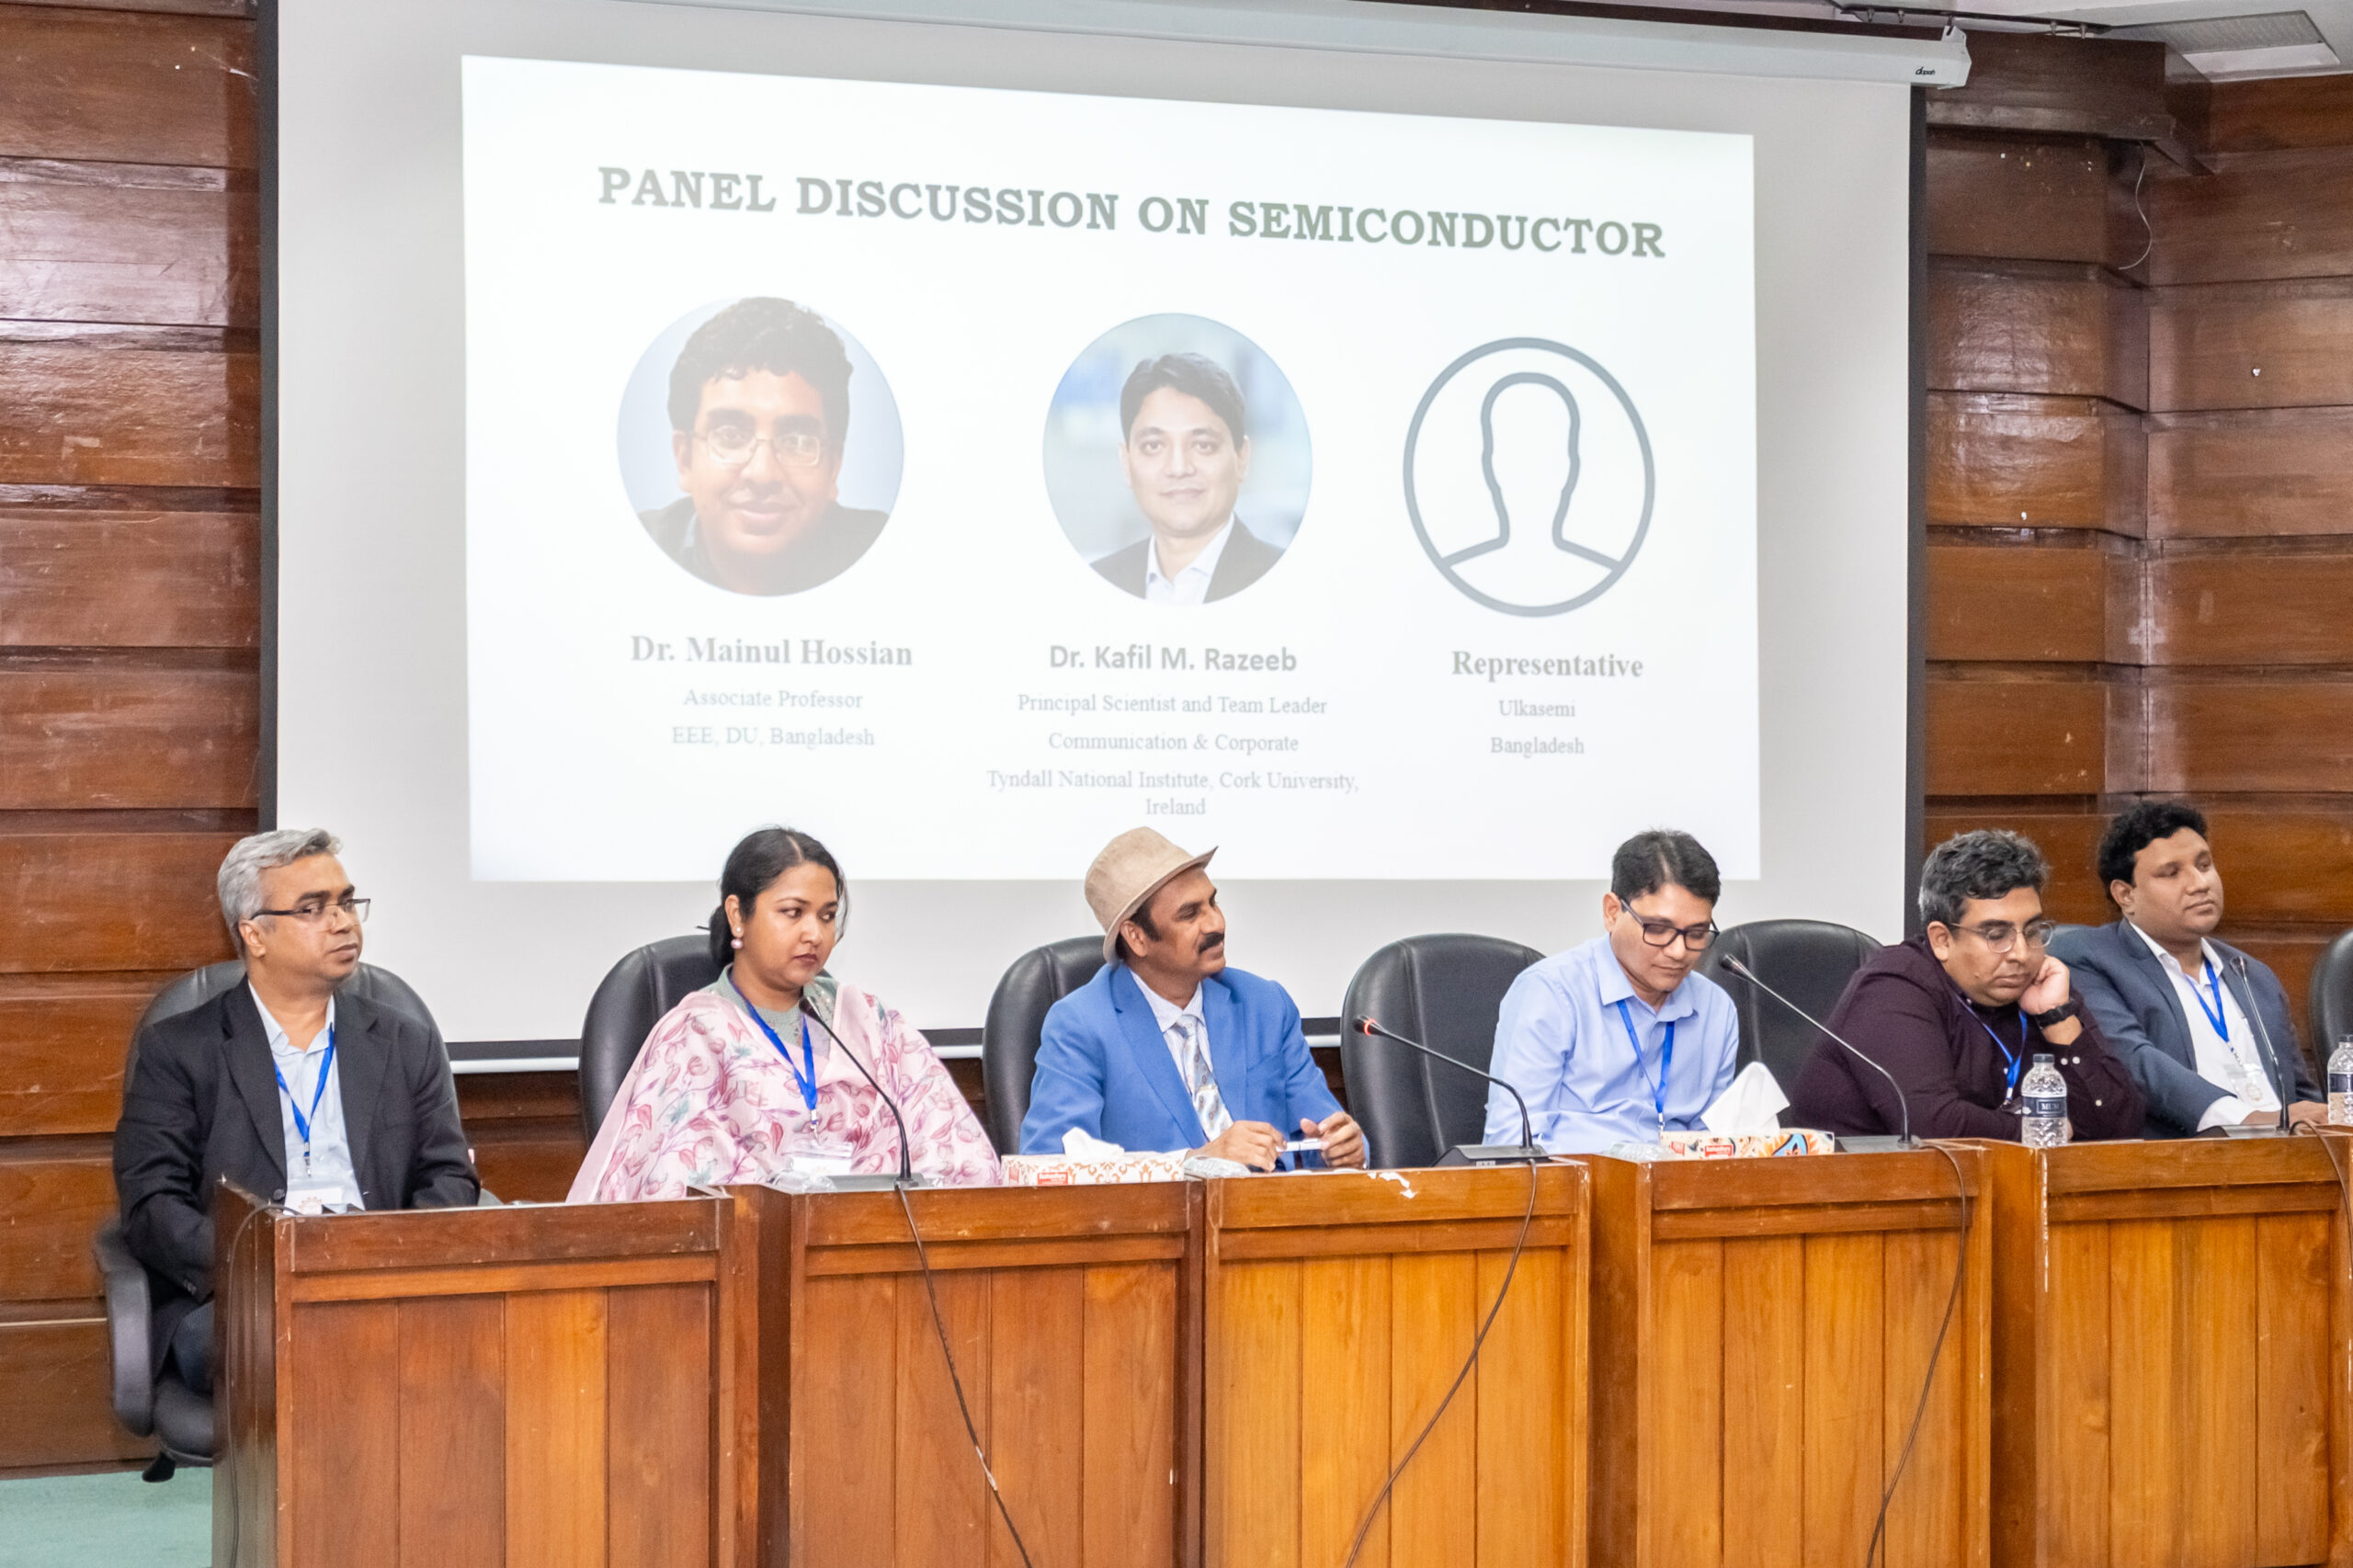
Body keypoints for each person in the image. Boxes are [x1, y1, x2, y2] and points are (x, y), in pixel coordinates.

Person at [112, 830, 479, 1395]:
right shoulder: (180, 1049)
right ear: (254, 934)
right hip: (248, 1297)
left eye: (346, 902)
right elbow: (152, 1204)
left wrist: (386, 1258)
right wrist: (262, 1266)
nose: (343, 923)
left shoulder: (405, 1041)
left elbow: (449, 1175)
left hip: (381, 1281)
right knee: (322, 1345)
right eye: (313, 909)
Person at [571, 827, 997, 1199]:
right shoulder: (694, 1036)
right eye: (793, 913)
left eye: (827, 916)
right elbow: (674, 1184)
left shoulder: (868, 1021)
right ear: (738, 915)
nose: (815, 934)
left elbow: (960, 1154)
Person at [1020, 828, 1365, 1170]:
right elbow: (1048, 1167)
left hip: (1273, 1202)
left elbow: (1323, 1130)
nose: (1216, 923)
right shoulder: (1081, 1025)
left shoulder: (1265, 1005)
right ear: (1136, 937)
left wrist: (1342, 1148)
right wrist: (1195, 1160)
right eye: (1189, 914)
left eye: (1213, 902)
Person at [1791, 829, 2144, 1141]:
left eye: (2032, 931)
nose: (2022, 953)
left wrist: (2058, 1018)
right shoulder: (1894, 986)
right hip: (1864, 1187)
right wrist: (2042, 1130)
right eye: (1996, 934)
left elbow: (2118, 1126)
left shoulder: (2041, 985)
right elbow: (1934, 1126)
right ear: (1942, 940)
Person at [2051, 801, 2323, 1136]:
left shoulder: (2252, 975)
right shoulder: (2089, 960)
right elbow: (2134, 1062)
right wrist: (2251, 1119)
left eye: (2204, 865)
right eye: (2171, 873)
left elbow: (2299, 1095)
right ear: (2125, 895)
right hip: (2184, 1157)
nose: (2199, 883)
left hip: (2285, 1152)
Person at [1483, 829, 1740, 1153]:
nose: (1678, 951)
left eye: (1697, 933)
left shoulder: (1716, 1009)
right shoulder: (1551, 994)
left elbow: (1717, 1148)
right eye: (1658, 929)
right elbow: (1512, 1145)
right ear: (1612, 912)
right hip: (1577, 1182)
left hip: (1678, 1183)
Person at [639, 297, 888, 596]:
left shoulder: (891, 551)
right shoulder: (628, 551)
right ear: (685, 460)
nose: (762, 474)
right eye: (730, 436)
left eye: (796, 442)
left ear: (833, 467)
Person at [1091, 353, 1287, 604]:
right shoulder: (1096, 585)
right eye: (1153, 446)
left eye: (1203, 445)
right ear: (1126, 463)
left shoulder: (1288, 579)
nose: (1179, 468)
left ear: (1242, 458)